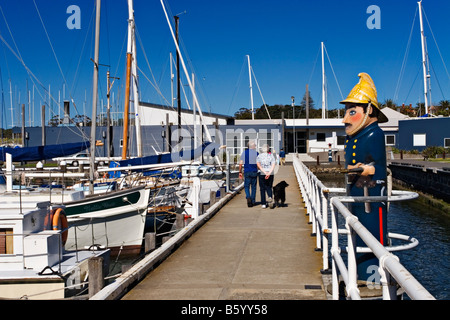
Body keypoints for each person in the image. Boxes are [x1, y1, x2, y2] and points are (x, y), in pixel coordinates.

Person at [340, 72, 389, 283]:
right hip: (357, 193)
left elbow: (378, 168)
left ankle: (373, 280)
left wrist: (367, 170)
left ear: (369, 110)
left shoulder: (374, 134)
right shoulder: (355, 138)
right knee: (357, 233)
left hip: (371, 196)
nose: (345, 119)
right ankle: (359, 272)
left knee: (372, 236)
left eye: (352, 112)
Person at [239, 140, 259, 207]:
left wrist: (240, 171)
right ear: (252, 146)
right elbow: (258, 164)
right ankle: (253, 201)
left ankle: (248, 197)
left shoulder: (244, 153)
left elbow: (241, 163)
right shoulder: (256, 153)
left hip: (247, 171)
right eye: (255, 145)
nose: (255, 146)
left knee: (246, 186)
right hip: (254, 171)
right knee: (253, 187)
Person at [256, 144, 276, 208]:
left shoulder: (259, 156)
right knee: (269, 186)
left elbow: (258, 165)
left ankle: (263, 204)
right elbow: (273, 165)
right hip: (270, 173)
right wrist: (269, 173)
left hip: (262, 173)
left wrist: (264, 172)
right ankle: (270, 196)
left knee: (262, 188)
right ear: (268, 149)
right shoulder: (271, 156)